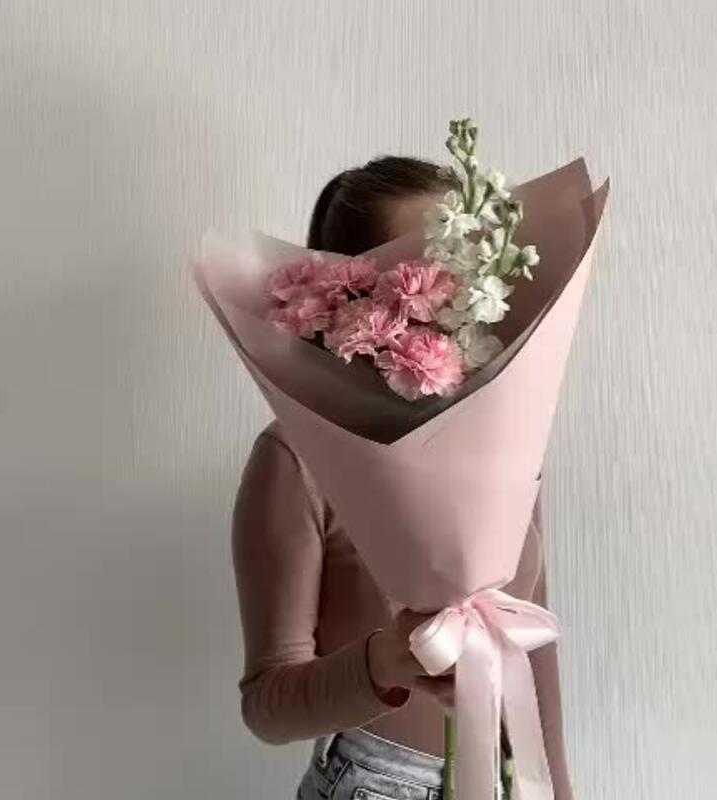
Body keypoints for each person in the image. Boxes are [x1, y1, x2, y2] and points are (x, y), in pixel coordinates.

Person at [231, 156, 575, 800]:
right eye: (427, 266)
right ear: (348, 294)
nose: (454, 288)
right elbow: (266, 704)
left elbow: (533, 643)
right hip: (378, 783)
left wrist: (556, 786)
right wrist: (380, 665)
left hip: (508, 779)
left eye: (467, 261)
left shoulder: (511, 440)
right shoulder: (296, 458)